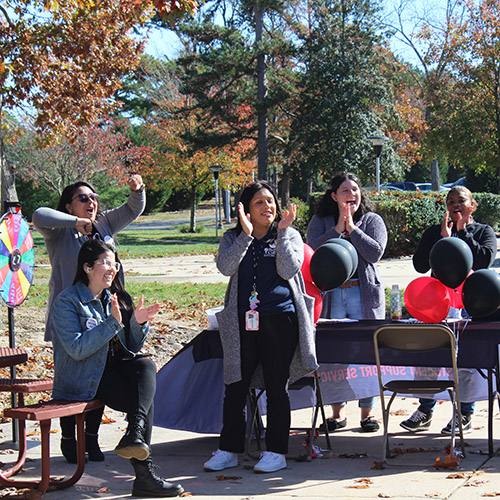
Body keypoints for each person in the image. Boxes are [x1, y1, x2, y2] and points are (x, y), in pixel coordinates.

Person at [51, 239, 184, 497]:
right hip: (83, 377)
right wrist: (112, 323)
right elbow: (77, 350)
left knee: (145, 365)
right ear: (88, 267)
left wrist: (137, 323)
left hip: (110, 371)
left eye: (115, 264)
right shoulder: (67, 302)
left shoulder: (111, 299)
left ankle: (134, 433)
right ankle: (144, 474)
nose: (113, 269)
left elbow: (130, 348)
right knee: (143, 403)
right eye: (106, 263)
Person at [203, 181, 318, 474]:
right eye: (259, 203)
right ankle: (229, 449)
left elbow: (288, 270)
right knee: (235, 386)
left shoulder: (288, 234)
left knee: (276, 387)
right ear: (245, 209)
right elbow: (226, 267)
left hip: (281, 319)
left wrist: (280, 234)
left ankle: (276, 451)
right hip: (242, 323)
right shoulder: (232, 238)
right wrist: (245, 235)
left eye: (270, 201)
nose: (267, 207)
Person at [32, 175, 145, 462]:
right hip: (69, 315)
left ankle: (91, 439)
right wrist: (74, 224)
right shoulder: (60, 231)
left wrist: (137, 190)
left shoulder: (104, 223)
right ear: (68, 206)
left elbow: (133, 209)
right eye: (83, 198)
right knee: (73, 378)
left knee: (100, 370)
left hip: (103, 311)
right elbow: (38, 215)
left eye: (93, 197)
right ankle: (70, 439)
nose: (91, 202)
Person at [400, 186, 497, 435]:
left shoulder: (483, 231)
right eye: (451, 201)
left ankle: (464, 413)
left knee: (465, 363)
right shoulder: (435, 232)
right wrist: (442, 240)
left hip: (470, 306)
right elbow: (419, 264)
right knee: (429, 360)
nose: (456, 205)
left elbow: (484, 260)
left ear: (472, 205)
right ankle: (425, 410)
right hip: (436, 305)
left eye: (461, 201)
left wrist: (462, 234)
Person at [307, 172, 387, 433]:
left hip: (360, 294)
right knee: (333, 355)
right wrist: (337, 229)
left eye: (355, 189)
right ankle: (337, 413)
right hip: (331, 295)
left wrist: (352, 229)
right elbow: (312, 251)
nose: (351, 193)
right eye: (345, 190)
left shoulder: (372, 220)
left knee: (366, 354)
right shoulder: (320, 221)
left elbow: (375, 253)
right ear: (334, 195)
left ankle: (367, 415)